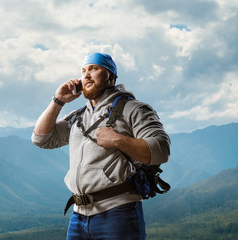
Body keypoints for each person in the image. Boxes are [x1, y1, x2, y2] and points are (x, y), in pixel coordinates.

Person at [31, 52, 170, 240]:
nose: (86, 74)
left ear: (111, 76)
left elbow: (161, 148)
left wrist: (118, 140)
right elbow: (41, 139)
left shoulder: (133, 109)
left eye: (94, 69)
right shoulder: (78, 116)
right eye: (83, 71)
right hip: (78, 215)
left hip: (118, 212)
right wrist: (58, 101)